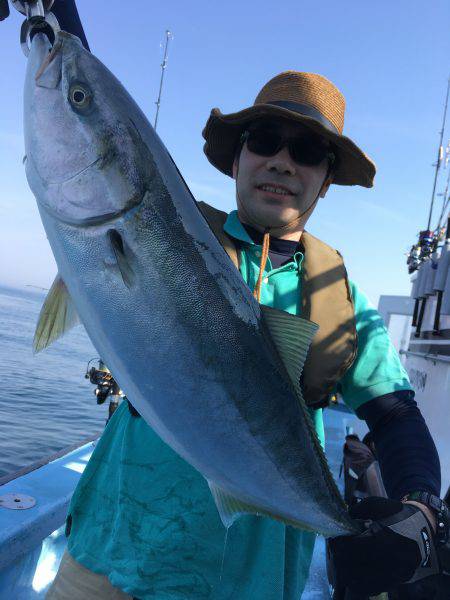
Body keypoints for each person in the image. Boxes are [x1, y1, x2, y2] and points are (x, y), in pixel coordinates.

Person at [43, 2, 446, 598]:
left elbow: (397, 416)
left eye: (307, 151)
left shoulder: (339, 300)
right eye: (265, 139)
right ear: (238, 156)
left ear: (326, 179)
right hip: (108, 549)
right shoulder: (170, 233)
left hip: (241, 580)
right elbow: (110, 141)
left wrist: (422, 511)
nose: (282, 160)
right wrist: (54, 21)